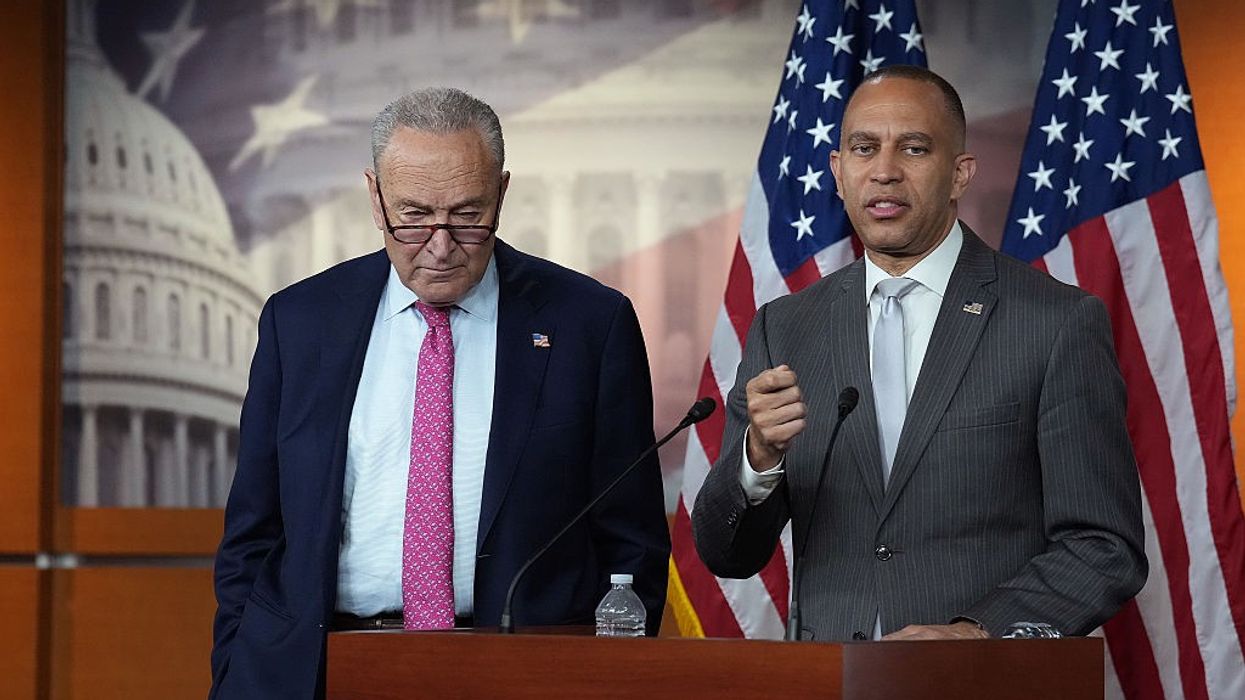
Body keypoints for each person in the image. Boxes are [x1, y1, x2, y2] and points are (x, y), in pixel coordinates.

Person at [210, 87, 670, 699]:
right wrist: (236, 672)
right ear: (374, 197)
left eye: (467, 216)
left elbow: (631, 541)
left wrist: (610, 681)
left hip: (525, 677)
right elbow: (253, 533)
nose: (441, 244)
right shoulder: (299, 322)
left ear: (502, 194)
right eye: (414, 215)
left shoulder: (590, 324)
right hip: (317, 671)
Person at [692, 65, 1146, 642]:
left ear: (960, 174)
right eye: (863, 149)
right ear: (838, 172)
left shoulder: (1054, 322)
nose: (884, 171)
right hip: (830, 676)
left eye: (913, 148)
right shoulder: (786, 327)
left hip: (981, 683)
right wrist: (759, 458)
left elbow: (1104, 545)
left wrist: (977, 634)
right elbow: (726, 553)